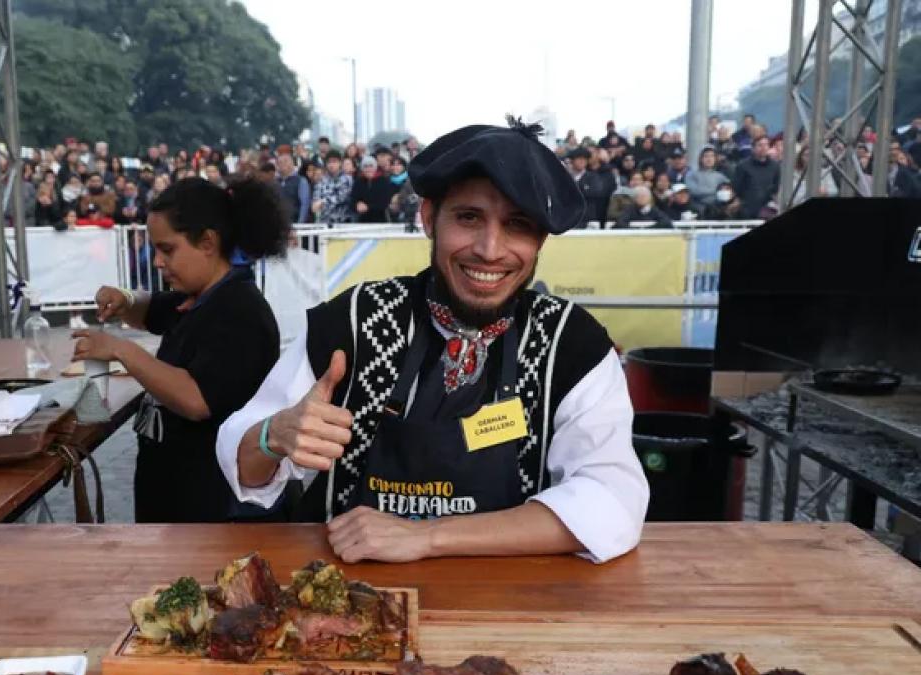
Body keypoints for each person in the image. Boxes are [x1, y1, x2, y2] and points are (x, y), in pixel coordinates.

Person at [216, 120, 648, 564]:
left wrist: (427, 536)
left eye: (518, 225)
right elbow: (241, 459)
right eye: (468, 217)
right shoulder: (349, 322)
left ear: (539, 240)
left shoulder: (572, 343)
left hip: (512, 610)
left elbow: (613, 502)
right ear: (428, 218)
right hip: (345, 603)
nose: (490, 249)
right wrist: (272, 436)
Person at [71, 178, 288, 523]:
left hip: (209, 507)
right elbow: (150, 309)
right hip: (173, 493)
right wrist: (124, 299)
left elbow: (197, 399)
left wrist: (122, 350)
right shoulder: (200, 298)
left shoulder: (240, 311)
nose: (157, 262)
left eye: (167, 250)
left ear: (207, 242)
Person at [732, 135, 779, 219]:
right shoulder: (743, 166)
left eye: (766, 145)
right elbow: (736, 188)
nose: (763, 148)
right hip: (747, 210)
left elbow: (776, 187)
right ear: (753, 148)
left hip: (768, 210)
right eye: (760, 145)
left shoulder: (775, 166)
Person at [310, 151, 352, 225]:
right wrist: (315, 203)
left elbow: (341, 197)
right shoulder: (322, 179)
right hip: (323, 222)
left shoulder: (347, 179)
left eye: (334, 161)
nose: (331, 164)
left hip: (341, 223)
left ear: (340, 163)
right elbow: (316, 196)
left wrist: (322, 202)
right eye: (329, 162)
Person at [350, 156, 395, 222]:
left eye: (371, 166)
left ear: (375, 167)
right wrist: (357, 205)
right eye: (365, 166)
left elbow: (385, 202)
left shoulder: (383, 181)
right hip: (362, 219)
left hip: (380, 219)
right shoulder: (358, 182)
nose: (368, 169)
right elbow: (353, 199)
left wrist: (368, 207)